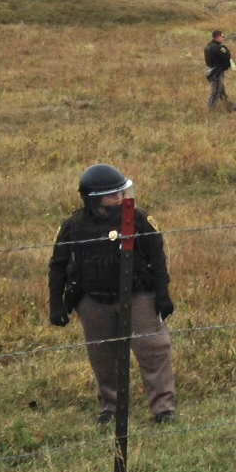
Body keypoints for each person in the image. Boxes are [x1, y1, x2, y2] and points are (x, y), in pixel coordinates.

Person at [47, 164, 176, 423]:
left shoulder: (138, 218)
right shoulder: (73, 226)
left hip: (138, 294)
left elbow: (157, 258)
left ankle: (163, 408)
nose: (120, 198)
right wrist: (56, 304)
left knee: (153, 349)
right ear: (93, 198)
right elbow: (58, 265)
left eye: (121, 192)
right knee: (103, 355)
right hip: (93, 298)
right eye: (112, 194)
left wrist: (162, 294)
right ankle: (110, 407)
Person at [204, 29, 236, 112]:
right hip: (217, 71)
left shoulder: (208, 46)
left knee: (222, 90)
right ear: (218, 37)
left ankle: (230, 107)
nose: (223, 38)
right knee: (215, 91)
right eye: (222, 36)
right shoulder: (218, 47)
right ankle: (210, 109)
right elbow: (226, 56)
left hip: (211, 69)